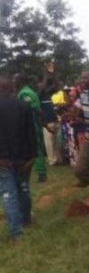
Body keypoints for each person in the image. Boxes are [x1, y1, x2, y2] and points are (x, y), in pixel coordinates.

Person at [0, 75, 36, 240]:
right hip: (23, 158)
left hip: (2, 160)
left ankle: (16, 233)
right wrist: (32, 155)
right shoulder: (24, 106)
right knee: (23, 188)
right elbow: (31, 133)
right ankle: (27, 220)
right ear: (12, 88)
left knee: (9, 195)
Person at [15, 73, 47, 183]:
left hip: (32, 124)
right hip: (32, 123)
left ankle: (41, 173)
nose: (13, 81)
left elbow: (34, 108)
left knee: (36, 148)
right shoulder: (26, 91)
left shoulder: (25, 93)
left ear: (20, 80)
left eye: (15, 79)